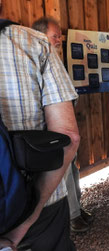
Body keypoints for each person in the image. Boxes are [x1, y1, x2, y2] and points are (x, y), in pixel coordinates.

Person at [0, 8, 80, 251]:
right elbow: (69, 137)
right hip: (38, 209)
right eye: (55, 36)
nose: (58, 41)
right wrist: (25, 222)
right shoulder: (33, 44)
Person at [32, 16, 93, 233]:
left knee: (73, 171)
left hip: (64, 128)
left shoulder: (54, 60)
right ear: (40, 36)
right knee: (63, 175)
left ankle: (77, 208)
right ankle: (72, 217)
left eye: (60, 36)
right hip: (52, 133)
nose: (59, 40)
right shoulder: (36, 61)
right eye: (55, 36)